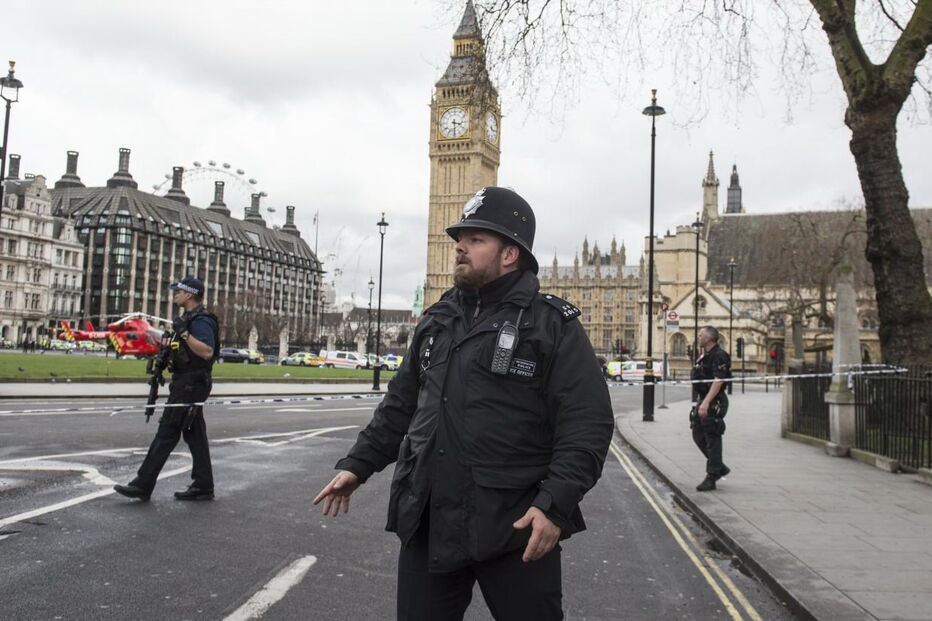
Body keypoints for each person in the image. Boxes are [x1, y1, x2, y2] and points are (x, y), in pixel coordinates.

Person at [314, 187, 614, 621]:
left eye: (475, 240)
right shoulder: (437, 320)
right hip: (430, 519)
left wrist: (553, 506)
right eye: (460, 238)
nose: (459, 247)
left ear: (509, 254)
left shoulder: (551, 326)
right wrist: (357, 465)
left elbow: (586, 425)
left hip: (516, 527)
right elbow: (401, 404)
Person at [114, 277, 220, 501]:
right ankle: (203, 484)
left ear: (189, 294)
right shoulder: (189, 319)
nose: (175, 294)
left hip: (191, 384)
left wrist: (184, 334)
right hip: (186, 380)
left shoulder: (201, 320)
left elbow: (207, 352)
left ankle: (143, 483)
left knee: (167, 432)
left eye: (178, 291)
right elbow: (184, 352)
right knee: (194, 434)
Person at [690, 325, 731, 492]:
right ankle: (718, 466)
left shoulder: (720, 355)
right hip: (704, 399)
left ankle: (712, 476)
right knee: (697, 434)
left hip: (714, 401)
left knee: (712, 436)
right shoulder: (704, 355)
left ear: (709, 338)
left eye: (701, 335)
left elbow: (719, 380)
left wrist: (706, 402)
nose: (698, 338)